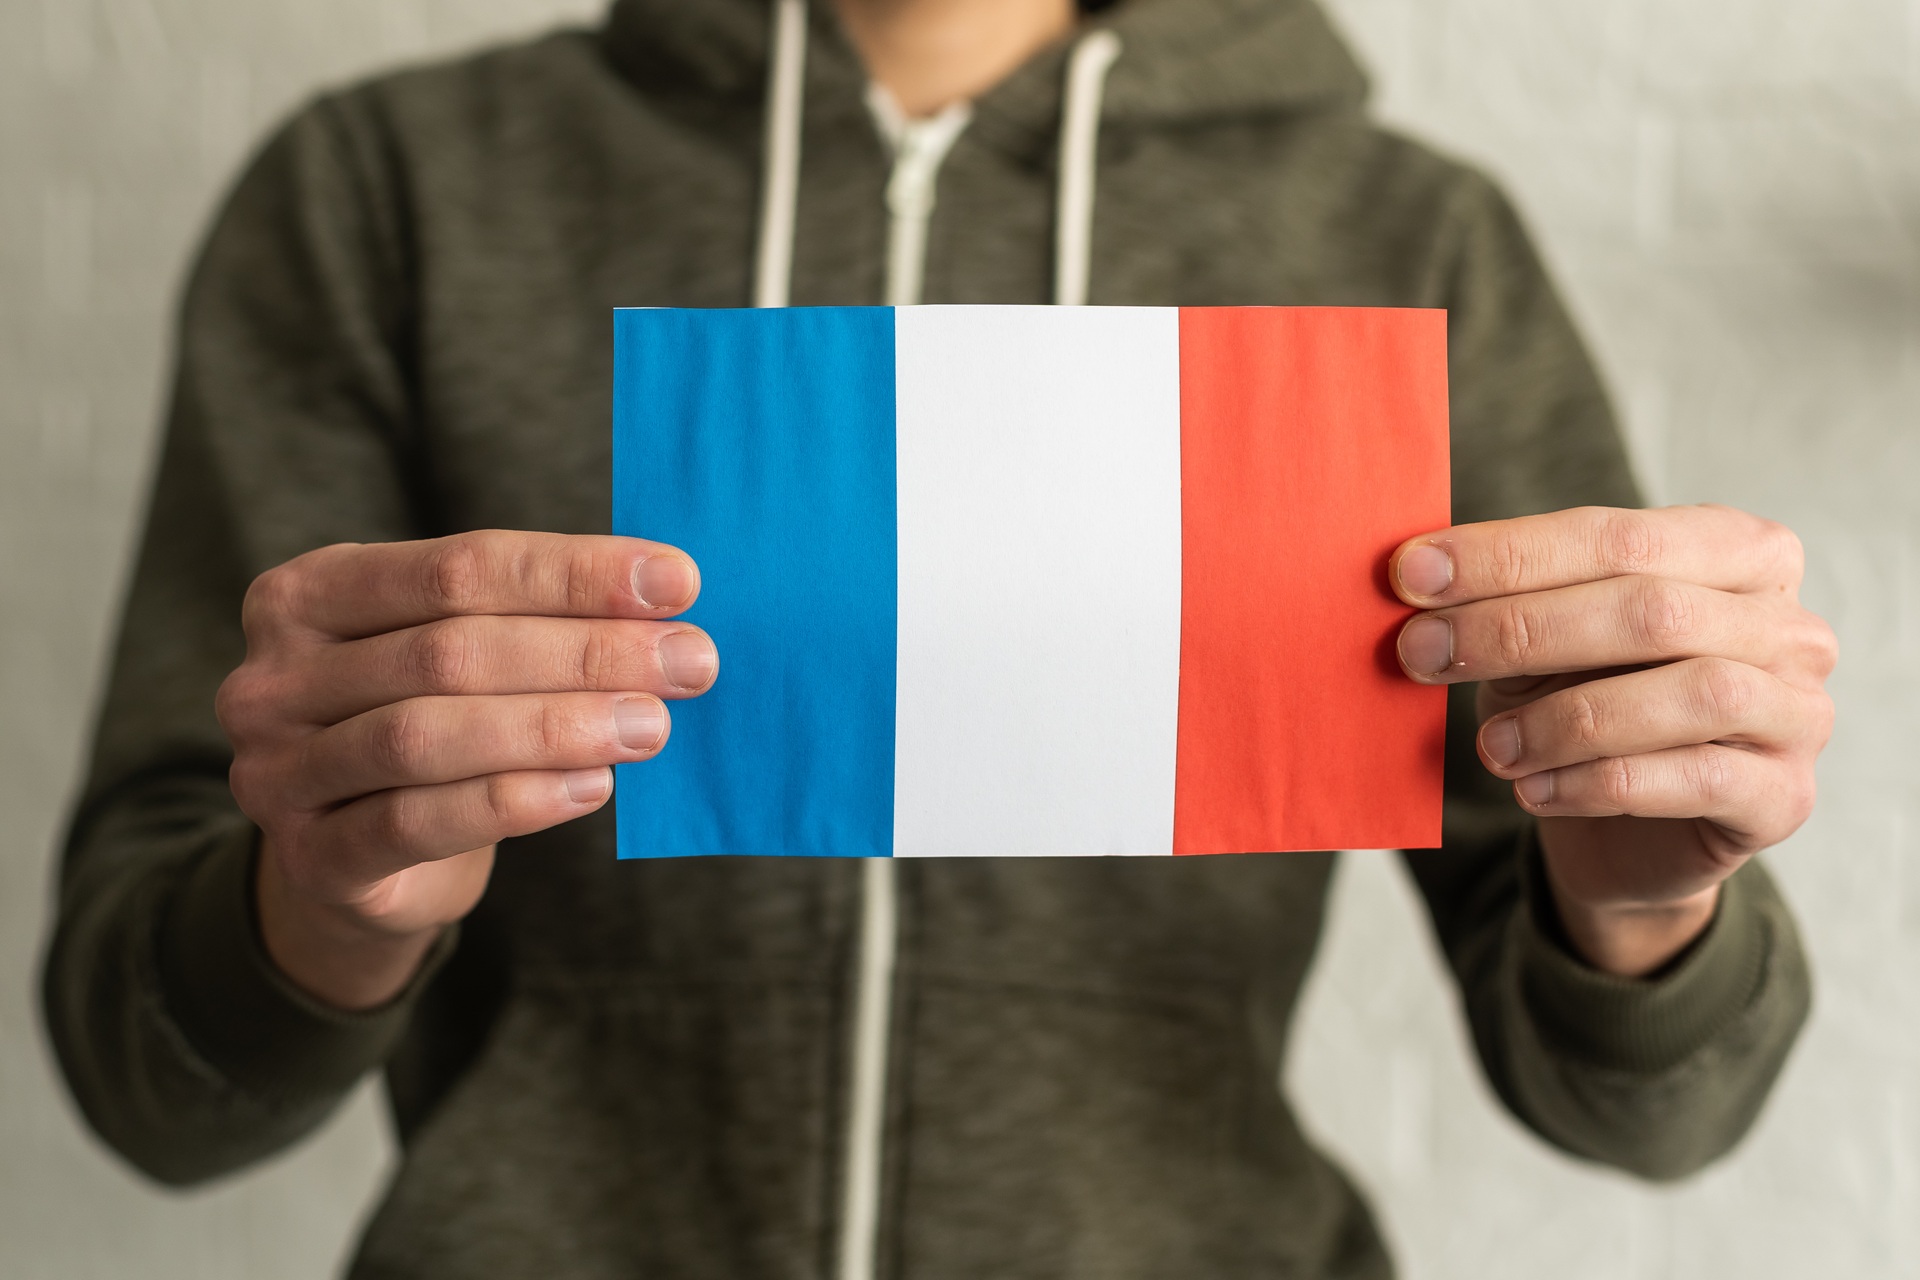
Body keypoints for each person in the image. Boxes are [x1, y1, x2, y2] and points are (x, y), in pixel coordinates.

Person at [42, 0, 1835, 1276]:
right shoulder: (389, 192)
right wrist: (330, 906)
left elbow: (1654, 1119)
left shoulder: (1405, 237)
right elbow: (154, 1091)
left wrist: (1643, 910)